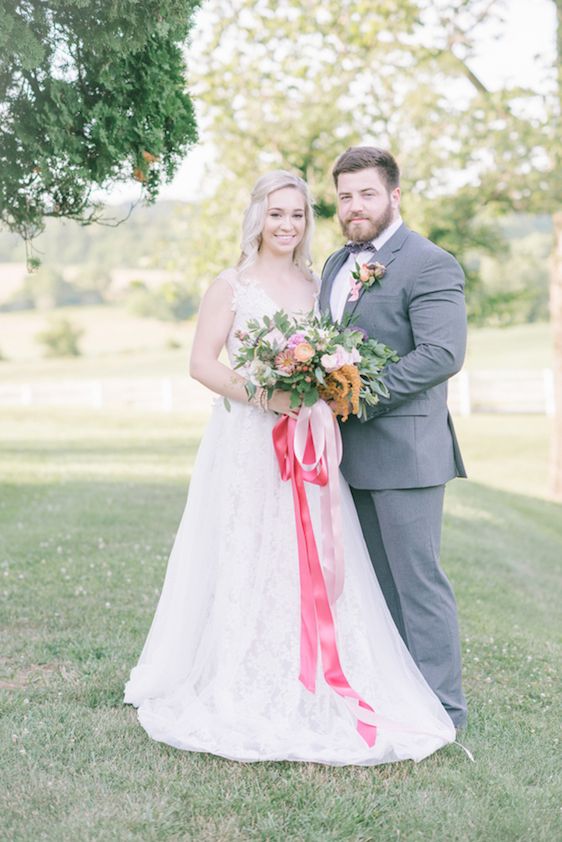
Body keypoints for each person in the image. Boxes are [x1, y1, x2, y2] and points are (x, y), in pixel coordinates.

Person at [124, 169, 456, 765]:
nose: (287, 225)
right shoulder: (230, 285)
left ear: (308, 220)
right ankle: (246, 672)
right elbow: (203, 363)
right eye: (276, 213)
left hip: (316, 445)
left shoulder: (318, 279)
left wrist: (323, 390)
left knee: (317, 559)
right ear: (257, 216)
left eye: (298, 214)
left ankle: (336, 675)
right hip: (252, 444)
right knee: (251, 555)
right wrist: (267, 398)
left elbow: (348, 353)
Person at [319, 147, 468, 730]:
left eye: (367, 194)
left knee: (418, 583)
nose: (355, 206)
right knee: (374, 586)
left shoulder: (429, 263)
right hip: (347, 456)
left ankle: (444, 712)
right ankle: (395, 694)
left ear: (395, 195)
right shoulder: (335, 263)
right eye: (346, 196)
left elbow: (441, 354)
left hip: (407, 454)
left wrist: (355, 396)